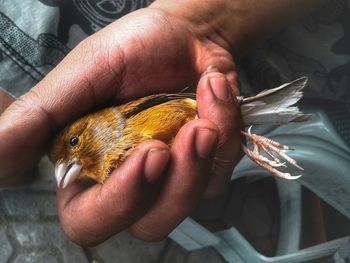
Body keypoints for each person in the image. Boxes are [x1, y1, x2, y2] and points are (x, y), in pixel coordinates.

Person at [0, 0, 327, 245]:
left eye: (72, 144)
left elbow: (176, 102)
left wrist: (197, 25)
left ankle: (253, 130)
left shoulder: (119, 119)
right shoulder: (98, 171)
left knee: (214, 123)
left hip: (205, 97)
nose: (68, 162)